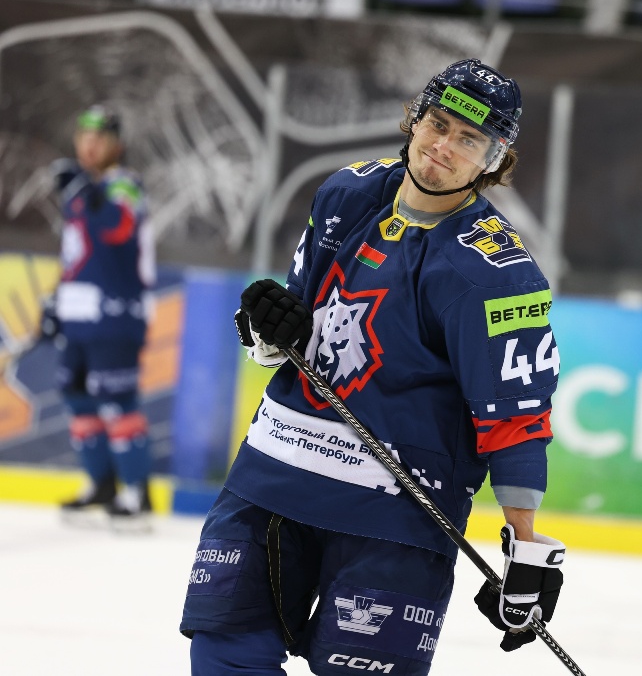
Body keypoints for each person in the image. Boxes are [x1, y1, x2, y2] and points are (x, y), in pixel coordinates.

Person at [180, 59, 566, 675]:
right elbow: (298, 327)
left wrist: (525, 544)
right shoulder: (346, 193)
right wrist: (267, 329)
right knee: (225, 654)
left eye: (469, 140)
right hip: (275, 472)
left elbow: (515, 413)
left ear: (494, 160)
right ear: (414, 120)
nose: (443, 147)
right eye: (437, 124)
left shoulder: (494, 274)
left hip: (394, 512)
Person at [48, 104, 155, 527]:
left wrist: (87, 193)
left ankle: (136, 494)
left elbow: (117, 231)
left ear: (117, 145)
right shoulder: (81, 190)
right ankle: (101, 485)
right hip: (77, 314)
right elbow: (76, 256)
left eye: (99, 138)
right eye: (83, 137)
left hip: (114, 312)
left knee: (116, 399)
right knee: (77, 397)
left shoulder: (124, 185)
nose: (89, 146)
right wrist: (56, 303)